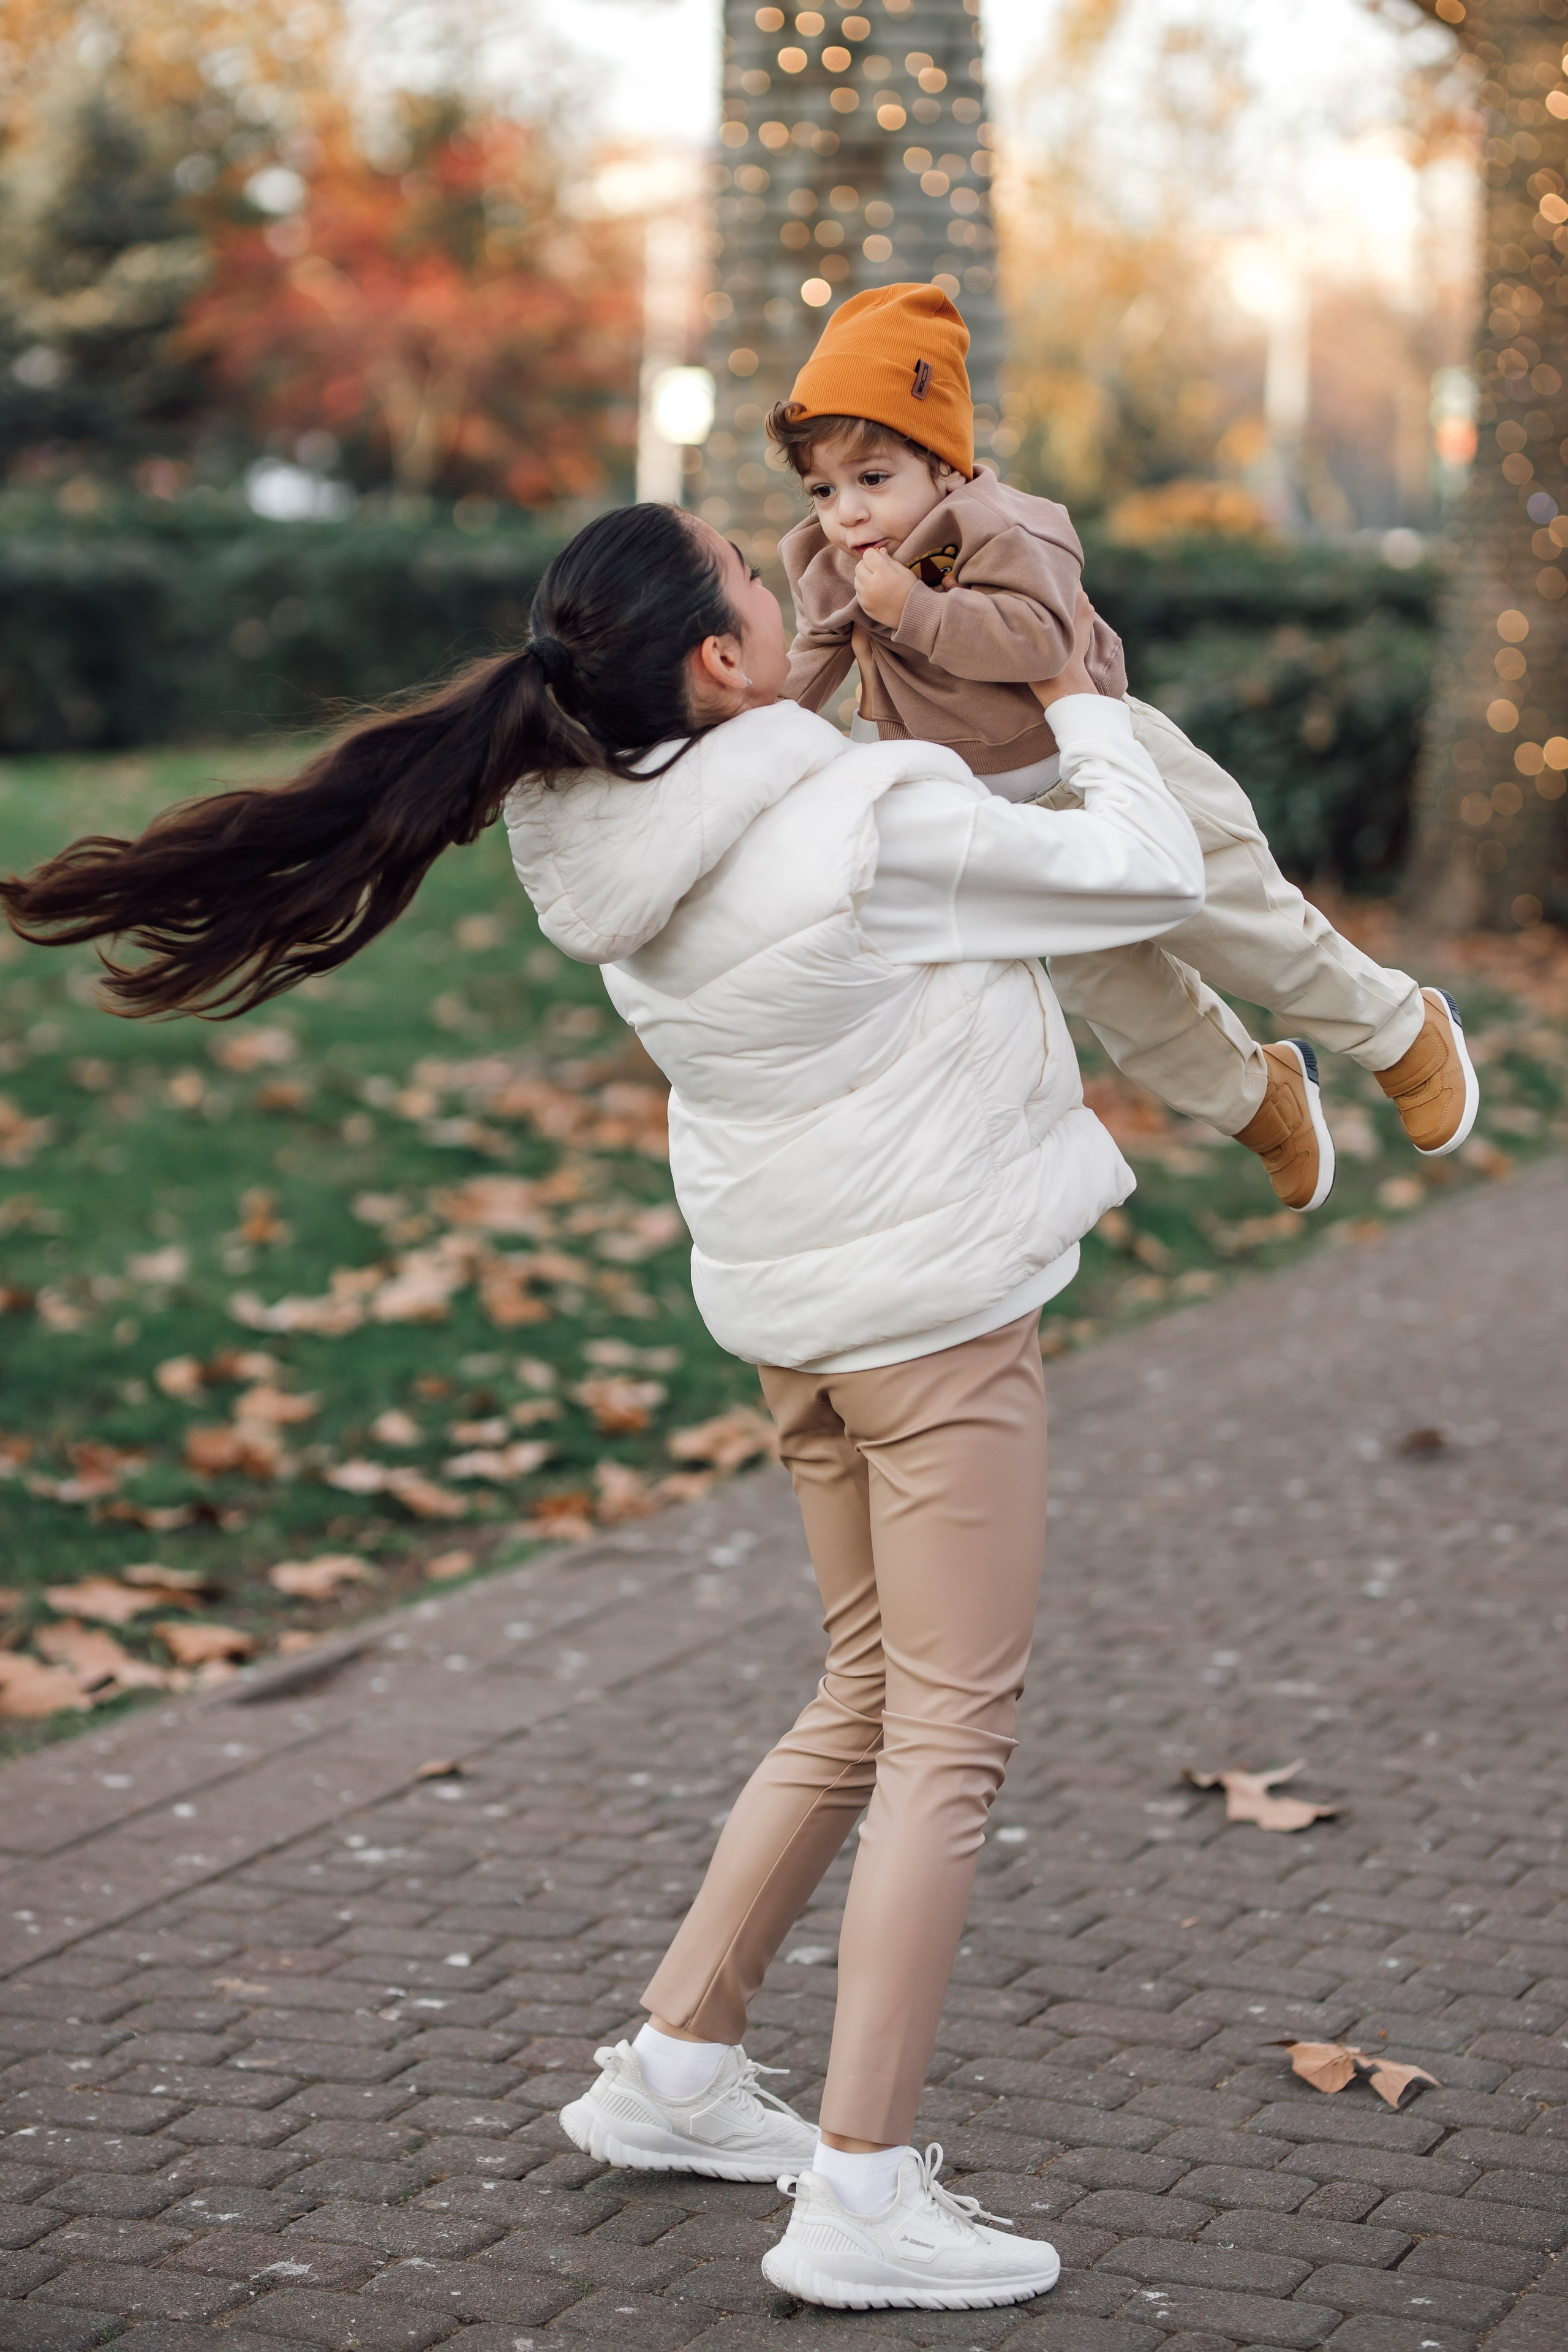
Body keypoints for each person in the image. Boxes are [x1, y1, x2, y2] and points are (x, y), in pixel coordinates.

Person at [1, 500, 1204, 2312]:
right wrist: (1090, 694)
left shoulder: (622, 838)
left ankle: (678, 2072)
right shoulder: (870, 819)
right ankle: (865, 2196)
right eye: (746, 566)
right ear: (724, 665)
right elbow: (1149, 878)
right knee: (952, 1739)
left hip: (804, 1324)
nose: (780, 562)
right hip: (937, 1317)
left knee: (868, 1698)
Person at [772, 282, 1479, 1215]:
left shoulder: (1008, 529)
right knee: (1118, 995)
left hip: (1112, 758)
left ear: (943, 464)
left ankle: (1401, 1031)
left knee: (1242, 920)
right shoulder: (835, 570)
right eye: (825, 490)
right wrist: (754, 739)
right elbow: (807, 667)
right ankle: (1258, 1098)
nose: (849, 514)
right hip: (1014, 824)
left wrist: (918, 612)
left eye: (873, 480)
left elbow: (1040, 644)